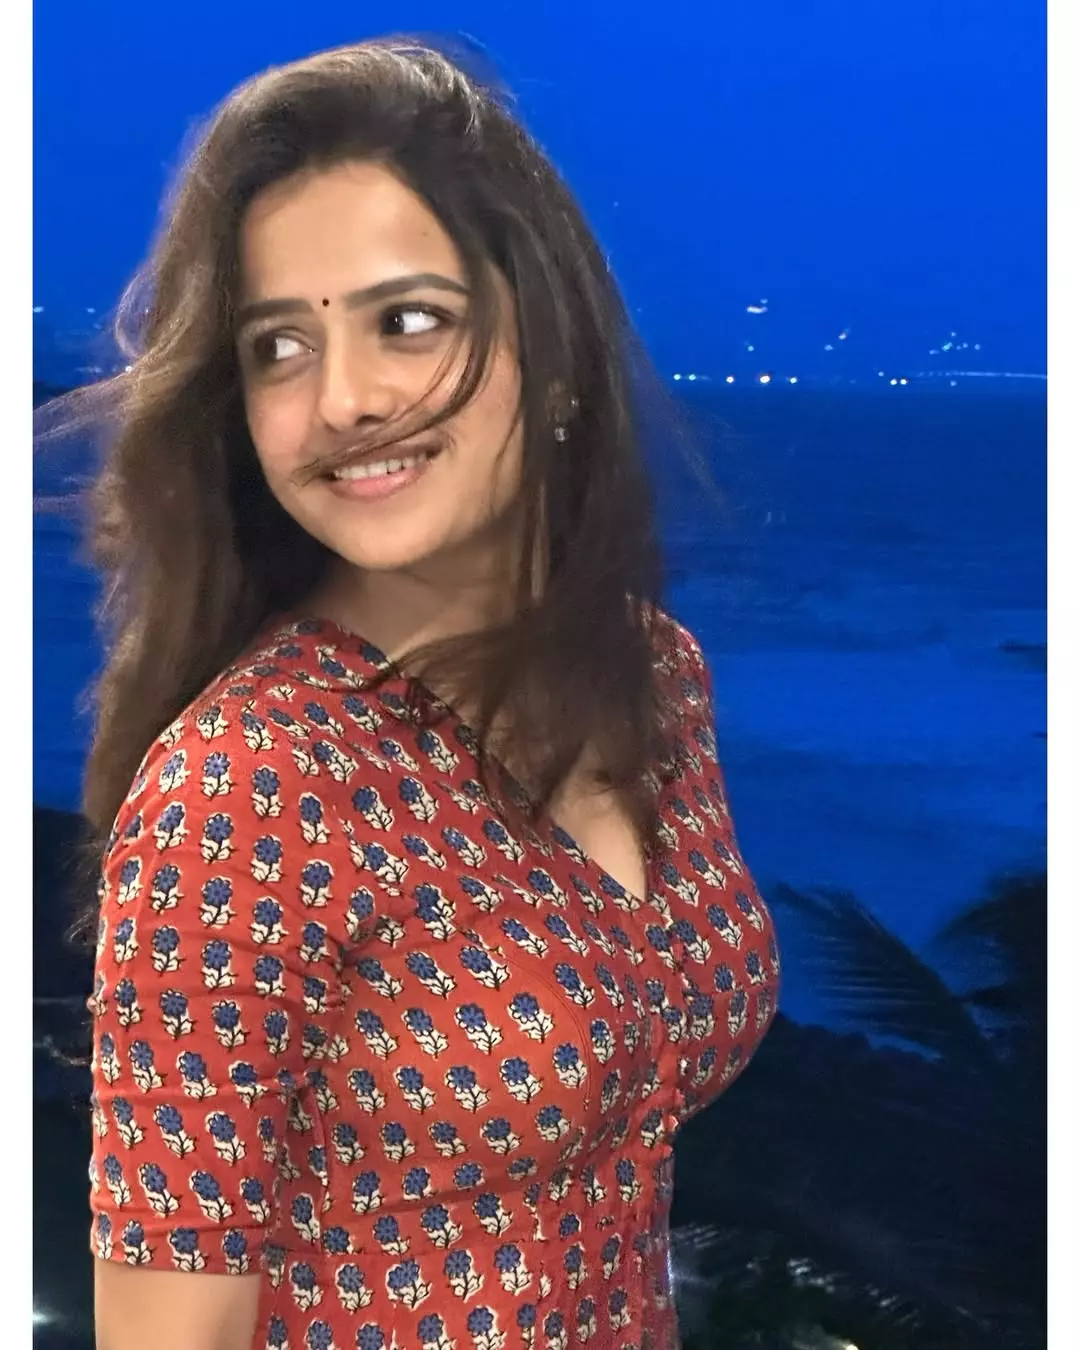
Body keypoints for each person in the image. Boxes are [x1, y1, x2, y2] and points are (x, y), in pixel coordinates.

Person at [77, 36, 780, 1350]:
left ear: (551, 353)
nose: (343, 398)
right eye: (279, 347)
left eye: (407, 321)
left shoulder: (655, 677)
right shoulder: (249, 789)